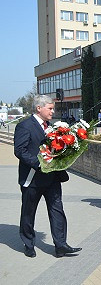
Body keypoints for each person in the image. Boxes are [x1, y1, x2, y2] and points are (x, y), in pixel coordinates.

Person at [13, 95, 81, 258]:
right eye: (50, 108)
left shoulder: (50, 127)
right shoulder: (25, 126)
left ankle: (61, 245)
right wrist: (39, 164)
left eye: (53, 108)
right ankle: (29, 244)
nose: (53, 111)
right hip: (33, 178)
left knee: (57, 210)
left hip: (52, 178)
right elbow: (20, 150)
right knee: (28, 212)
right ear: (39, 108)